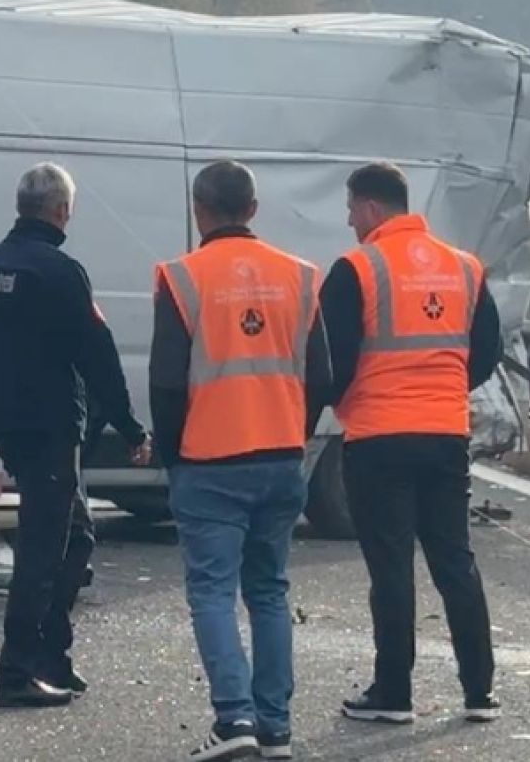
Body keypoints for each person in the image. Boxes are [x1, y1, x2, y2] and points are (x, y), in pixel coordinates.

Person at [0, 161, 150, 710]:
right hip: (50, 425)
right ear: (62, 210)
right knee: (44, 548)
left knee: (75, 535)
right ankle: (16, 670)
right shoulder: (60, 271)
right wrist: (130, 427)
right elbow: (97, 353)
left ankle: (50, 655)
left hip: (5, 421)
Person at [150, 161, 333, 761]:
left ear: (197, 209)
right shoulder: (300, 277)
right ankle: (275, 727)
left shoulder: (182, 278)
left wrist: (173, 456)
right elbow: (322, 377)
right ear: (253, 208)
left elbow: (166, 382)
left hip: (209, 459)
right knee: (269, 591)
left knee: (212, 590)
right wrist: (295, 433)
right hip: (280, 456)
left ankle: (235, 719)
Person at [322, 162, 502, 726]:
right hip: (445, 432)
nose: (350, 222)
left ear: (371, 208)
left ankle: (394, 693)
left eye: (351, 210)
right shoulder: (465, 267)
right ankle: (479, 691)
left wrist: (336, 404)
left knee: (391, 567)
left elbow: (332, 361)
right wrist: (443, 389)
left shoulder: (357, 268)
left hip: (378, 437)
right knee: (455, 561)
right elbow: (487, 350)